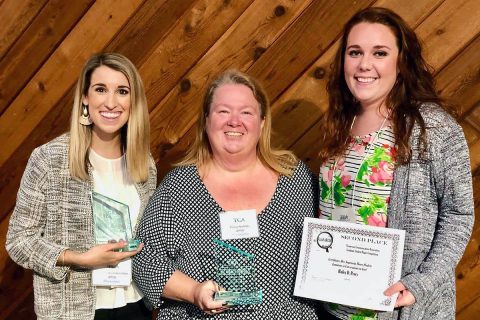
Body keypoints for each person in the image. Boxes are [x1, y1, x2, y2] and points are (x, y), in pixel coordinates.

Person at [316, 7, 474, 320]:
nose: (365, 64)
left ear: (401, 62)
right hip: (336, 308)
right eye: (355, 52)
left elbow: (459, 214)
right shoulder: (341, 123)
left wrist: (421, 283)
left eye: (380, 53)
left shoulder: (432, 127)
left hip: (398, 309)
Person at [132, 70, 319, 319]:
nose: (234, 121)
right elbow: (146, 260)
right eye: (223, 111)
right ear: (206, 120)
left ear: (262, 122)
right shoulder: (179, 187)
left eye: (246, 112)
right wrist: (194, 291)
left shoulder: (296, 179)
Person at [6, 52, 157, 320]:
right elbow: (19, 241)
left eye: (122, 91)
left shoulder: (144, 164)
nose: (111, 102)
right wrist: (77, 258)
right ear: (85, 98)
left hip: (136, 306)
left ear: (134, 101)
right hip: (74, 311)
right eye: (101, 89)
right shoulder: (50, 160)